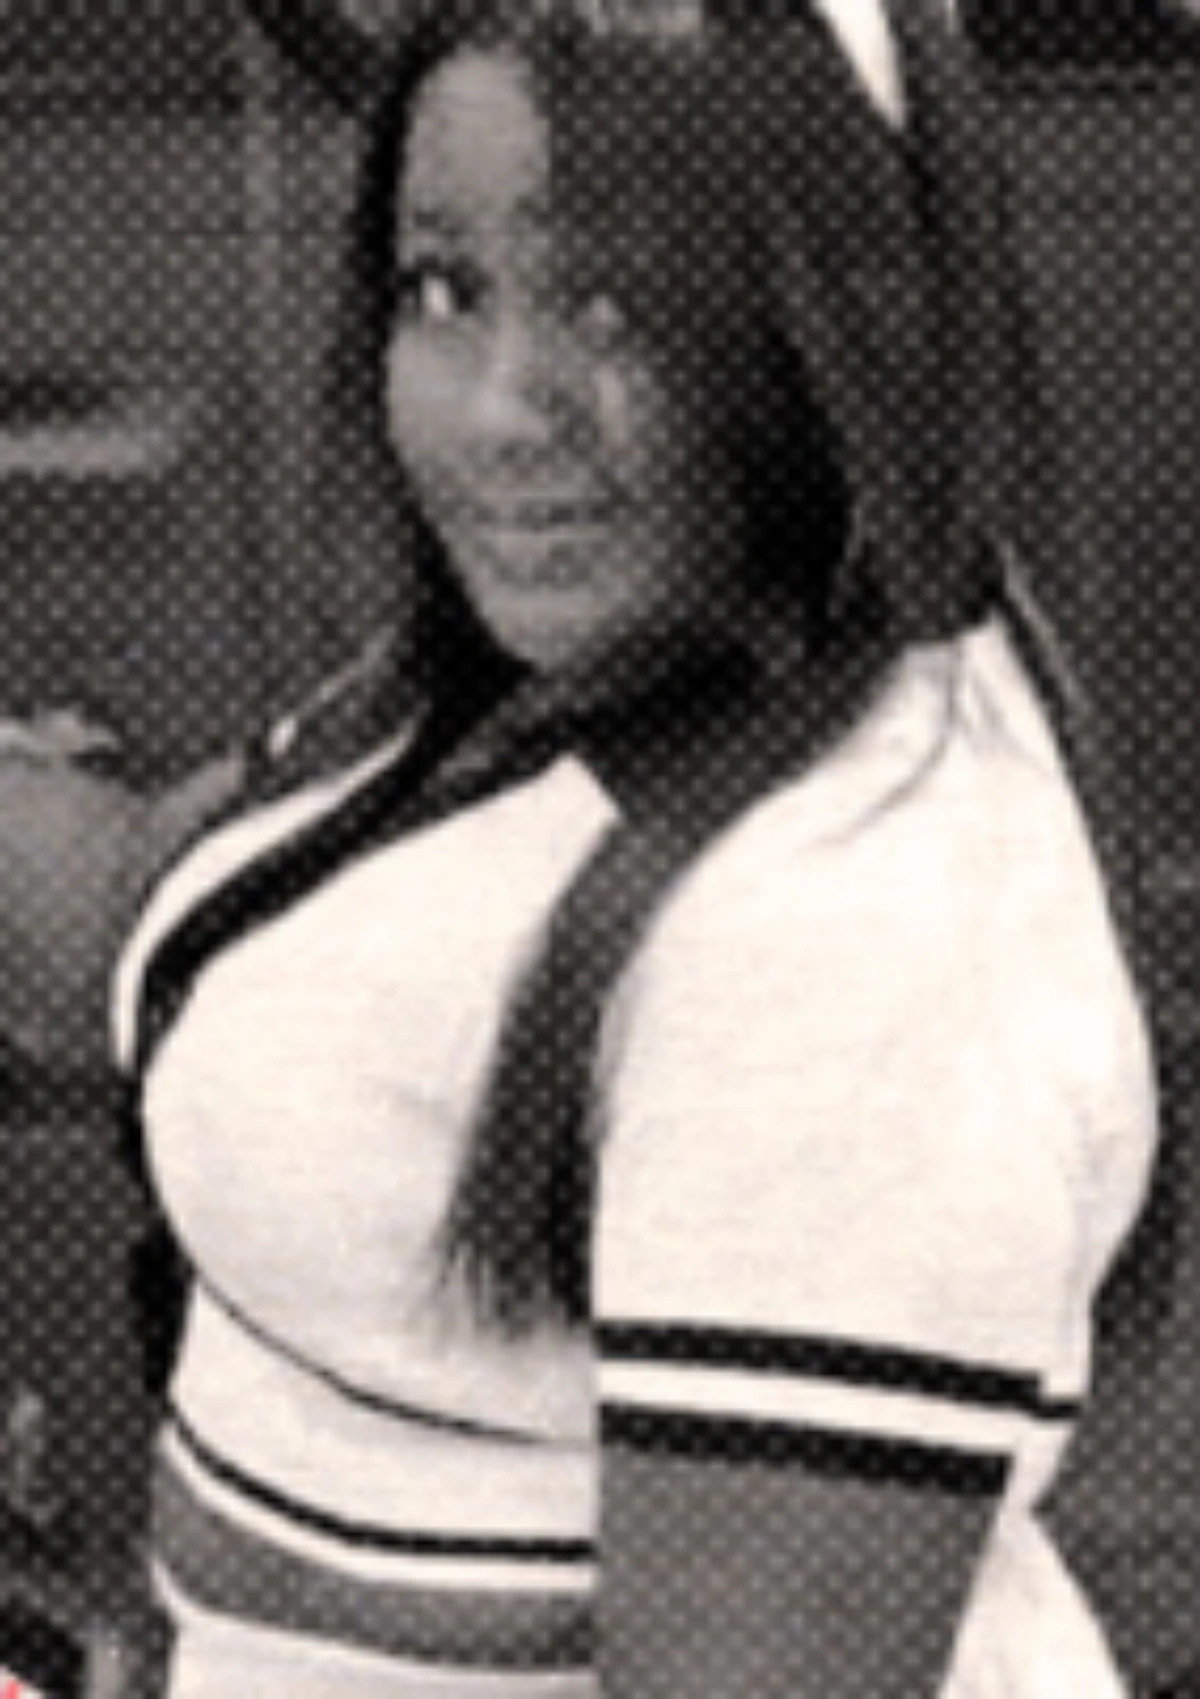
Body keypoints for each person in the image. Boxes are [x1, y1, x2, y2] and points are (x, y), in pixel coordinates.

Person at [0, 1, 1154, 1694]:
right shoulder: (572, 672)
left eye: (623, 302)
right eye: (443, 287)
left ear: (829, 311)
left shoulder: (850, 933)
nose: (500, 413)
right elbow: (145, 920)